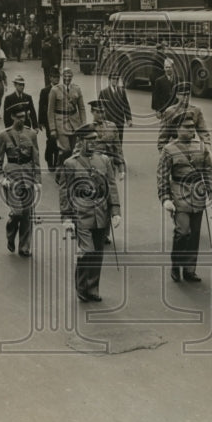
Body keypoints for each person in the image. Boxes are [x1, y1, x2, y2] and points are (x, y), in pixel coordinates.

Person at [60, 123, 121, 301]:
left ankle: (92, 288)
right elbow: (65, 192)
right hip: (81, 214)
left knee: (98, 253)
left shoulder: (104, 160)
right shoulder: (70, 163)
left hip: (101, 214)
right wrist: (66, 217)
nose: (94, 143)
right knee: (87, 252)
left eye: (95, 139)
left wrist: (116, 211)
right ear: (81, 140)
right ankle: (82, 287)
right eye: (90, 140)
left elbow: (111, 186)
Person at [158, 111, 212, 283]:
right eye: (187, 127)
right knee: (183, 232)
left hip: (197, 194)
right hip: (179, 193)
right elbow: (162, 175)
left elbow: (208, 171)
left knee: (195, 234)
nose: (192, 130)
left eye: (193, 127)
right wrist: (165, 198)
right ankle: (176, 265)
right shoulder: (168, 150)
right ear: (177, 128)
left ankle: (190, 270)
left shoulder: (201, 147)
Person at [0, 101, 41, 257]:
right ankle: (10, 232)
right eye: (19, 117)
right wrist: (1, 178)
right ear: (12, 117)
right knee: (17, 213)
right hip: (12, 178)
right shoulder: (4, 136)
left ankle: (24, 247)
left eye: (24, 116)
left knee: (27, 213)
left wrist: (38, 180)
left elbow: (36, 158)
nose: (23, 119)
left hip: (28, 177)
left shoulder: (31, 134)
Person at [47, 66, 86, 175]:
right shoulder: (55, 90)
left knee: (74, 150)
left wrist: (84, 125)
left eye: (69, 76)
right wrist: (53, 128)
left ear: (72, 77)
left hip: (74, 123)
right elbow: (50, 111)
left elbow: (81, 108)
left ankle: (70, 172)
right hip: (60, 123)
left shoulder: (77, 89)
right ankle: (59, 169)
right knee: (65, 150)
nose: (67, 78)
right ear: (62, 76)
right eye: (65, 76)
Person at [157, 82, 211, 151]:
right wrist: (162, 150)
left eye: (188, 95)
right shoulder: (170, 111)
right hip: (174, 145)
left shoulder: (196, 110)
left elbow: (203, 131)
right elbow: (163, 134)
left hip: (190, 144)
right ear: (177, 95)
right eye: (183, 95)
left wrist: (207, 146)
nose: (186, 97)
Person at [87, 99, 125, 179]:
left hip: (109, 165)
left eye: (102, 112)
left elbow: (118, 148)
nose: (101, 115)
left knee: (110, 189)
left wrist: (121, 168)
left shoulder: (112, 126)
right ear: (92, 112)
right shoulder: (87, 129)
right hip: (94, 165)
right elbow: (79, 151)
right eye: (98, 112)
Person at [98, 71, 132, 145]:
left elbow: (126, 105)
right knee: (108, 142)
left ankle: (118, 156)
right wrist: (100, 121)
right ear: (109, 80)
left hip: (119, 121)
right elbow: (99, 108)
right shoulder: (104, 92)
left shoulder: (122, 91)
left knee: (119, 141)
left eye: (117, 79)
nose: (115, 81)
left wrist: (129, 119)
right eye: (113, 79)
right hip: (108, 122)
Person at [39, 67, 61, 171]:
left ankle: (56, 160)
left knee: (58, 141)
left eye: (58, 77)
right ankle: (49, 159)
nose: (57, 79)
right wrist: (40, 121)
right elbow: (41, 106)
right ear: (50, 78)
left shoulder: (62, 89)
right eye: (55, 77)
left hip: (59, 120)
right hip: (48, 120)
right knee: (52, 140)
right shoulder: (45, 91)